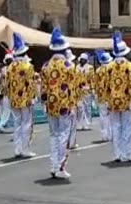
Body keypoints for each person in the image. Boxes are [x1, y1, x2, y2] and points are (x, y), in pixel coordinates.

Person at [41, 27, 77, 179]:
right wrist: (73, 105)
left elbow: (43, 89)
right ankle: (60, 166)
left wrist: (44, 103)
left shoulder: (45, 66)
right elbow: (72, 88)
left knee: (54, 136)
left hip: (50, 104)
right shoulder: (69, 66)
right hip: (64, 105)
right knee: (64, 136)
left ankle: (53, 165)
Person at [106, 32, 131, 163]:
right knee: (127, 127)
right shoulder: (130, 66)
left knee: (116, 127)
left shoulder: (109, 66)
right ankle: (127, 153)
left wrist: (107, 100)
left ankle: (117, 153)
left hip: (113, 100)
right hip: (126, 100)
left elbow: (106, 85)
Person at [6, 33, 37, 158]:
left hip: (13, 99)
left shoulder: (9, 67)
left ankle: (17, 149)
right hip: (25, 100)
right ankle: (25, 149)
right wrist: (33, 97)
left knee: (17, 124)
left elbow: (6, 84)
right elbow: (30, 84)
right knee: (26, 124)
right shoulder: (28, 66)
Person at [94, 49, 113, 142]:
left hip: (101, 96)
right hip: (110, 96)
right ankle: (111, 134)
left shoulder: (98, 70)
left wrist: (96, 94)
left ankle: (104, 135)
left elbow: (96, 84)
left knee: (102, 116)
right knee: (111, 116)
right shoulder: (111, 69)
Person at [0, 50, 14, 132]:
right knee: (9, 109)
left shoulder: (4, 69)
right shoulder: (10, 69)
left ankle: (3, 124)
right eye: (8, 60)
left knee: (8, 109)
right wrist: (0, 92)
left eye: (10, 60)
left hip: (9, 92)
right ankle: (2, 124)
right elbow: (1, 82)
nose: (9, 61)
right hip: (9, 92)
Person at [65, 49, 80, 150]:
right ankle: (71, 142)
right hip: (72, 98)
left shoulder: (60, 66)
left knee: (64, 124)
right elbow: (75, 85)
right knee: (73, 123)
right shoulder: (73, 68)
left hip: (61, 99)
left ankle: (65, 142)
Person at [76, 53, 94, 130]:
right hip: (78, 91)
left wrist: (92, 88)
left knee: (87, 108)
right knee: (79, 108)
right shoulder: (76, 67)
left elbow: (92, 79)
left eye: (83, 59)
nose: (81, 61)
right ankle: (79, 124)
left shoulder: (90, 68)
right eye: (81, 59)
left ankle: (87, 124)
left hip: (87, 90)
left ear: (86, 60)